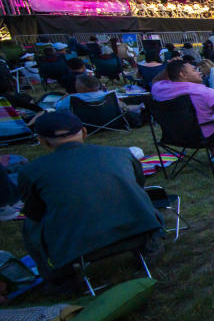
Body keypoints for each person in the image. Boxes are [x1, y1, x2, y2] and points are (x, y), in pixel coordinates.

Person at [17, 112, 162, 281]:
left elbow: (35, 213)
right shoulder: (122, 154)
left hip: (79, 248)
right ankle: (151, 247)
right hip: (139, 232)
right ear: (84, 132)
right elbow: (139, 184)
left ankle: (59, 278)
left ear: (41, 140)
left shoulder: (31, 171)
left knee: (30, 225)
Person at [151, 58, 214, 142]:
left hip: (174, 137)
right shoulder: (204, 92)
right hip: (204, 137)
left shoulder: (159, 89)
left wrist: (171, 67)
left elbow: (156, 80)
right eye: (194, 70)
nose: (199, 72)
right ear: (183, 74)